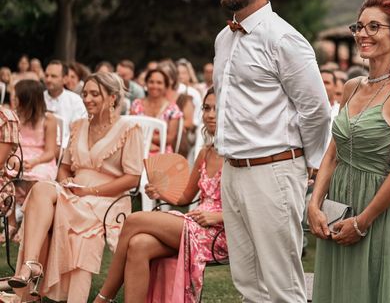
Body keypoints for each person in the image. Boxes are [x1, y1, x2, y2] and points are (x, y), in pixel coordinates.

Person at [214, 0, 331, 302]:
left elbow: (316, 110)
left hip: (274, 170)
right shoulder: (223, 39)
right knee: (247, 282)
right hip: (232, 170)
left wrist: (308, 164)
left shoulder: (284, 39)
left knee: (282, 285)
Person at [308, 0, 390, 303]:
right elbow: (333, 153)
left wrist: (362, 222)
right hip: (338, 205)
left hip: (376, 211)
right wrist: (315, 204)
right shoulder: (352, 86)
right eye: (359, 27)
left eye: (374, 27)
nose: (362, 34)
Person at [9, 72, 144, 303]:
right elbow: (65, 167)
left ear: (112, 98)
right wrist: (65, 181)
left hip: (106, 201)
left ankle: (50, 293)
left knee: (83, 235)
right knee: (41, 188)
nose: (87, 99)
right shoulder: (78, 125)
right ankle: (31, 265)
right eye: (85, 93)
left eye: (95, 94)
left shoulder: (129, 129)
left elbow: (132, 178)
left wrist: (90, 191)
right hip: (74, 193)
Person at [94, 88, 227, 303]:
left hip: (221, 233)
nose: (210, 114)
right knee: (139, 244)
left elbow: (252, 208)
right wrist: (161, 192)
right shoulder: (205, 152)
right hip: (195, 223)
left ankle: (103, 297)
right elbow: (185, 197)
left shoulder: (239, 158)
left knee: (135, 219)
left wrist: (218, 217)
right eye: (206, 108)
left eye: (217, 109)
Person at [4, 80, 58, 242]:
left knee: (36, 178)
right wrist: (14, 160)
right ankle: (11, 222)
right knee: (5, 174)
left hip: (40, 159)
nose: (13, 99)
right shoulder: (13, 117)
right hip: (16, 156)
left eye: (17, 96)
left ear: (28, 99)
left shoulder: (48, 119)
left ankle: (27, 223)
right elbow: (9, 145)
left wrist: (34, 162)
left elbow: (50, 151)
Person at [130, 68, 182, 153]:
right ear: (146, 84)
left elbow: (169, 138)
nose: (155, 86)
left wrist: (144, 136)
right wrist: (148, 143)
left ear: (165, 86)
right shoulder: (136, 104)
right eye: (151, 82)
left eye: (159, 83)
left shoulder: (173, 109)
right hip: (138, 150)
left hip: (162, 152)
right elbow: (130, 131)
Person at [43, 60, 87, 148]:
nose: (48, 79)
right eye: (46, 75)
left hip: (67, 150)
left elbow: (77, 131)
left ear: (65, 79)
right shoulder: (37, 98)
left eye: (53, 76)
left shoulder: (75, 101)